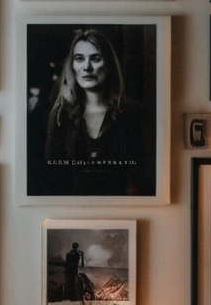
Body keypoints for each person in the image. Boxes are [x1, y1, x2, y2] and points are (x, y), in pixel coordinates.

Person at [43, 28, 149, 196]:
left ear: (108, 63)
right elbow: (52, 179)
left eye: (95, 58)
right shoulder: (60, 116)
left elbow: (141, 177)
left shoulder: (132, 113)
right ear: (72, 65)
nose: (87, 67)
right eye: (79, 59)